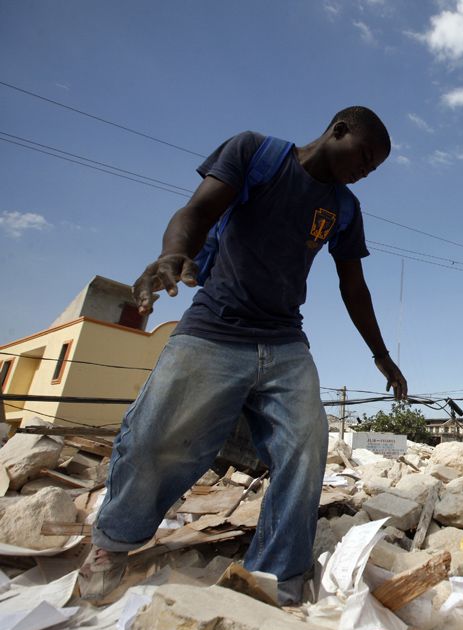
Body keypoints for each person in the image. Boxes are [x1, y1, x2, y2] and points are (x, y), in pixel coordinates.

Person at [78, 106, 407, 604]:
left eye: (374, 168)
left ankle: (276, 578)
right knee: (154, 437)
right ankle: (112, 545)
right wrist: (173, 253)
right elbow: (198, 210)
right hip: (215, 326)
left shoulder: (344, 208)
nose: (366, 170)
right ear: (337, 131)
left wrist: (382, 355)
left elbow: (353, 285)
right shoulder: (257, 153)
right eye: (364, 155)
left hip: (284, 340)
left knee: (306, 446)